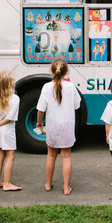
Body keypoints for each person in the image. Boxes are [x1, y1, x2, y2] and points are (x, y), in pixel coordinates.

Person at [36, 59, 81, 196]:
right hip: (67, 127)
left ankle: (48, 184)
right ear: (66, 72)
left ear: (51, 71)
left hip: (52, 126)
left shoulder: (46, 87)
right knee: (66, 157)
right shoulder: (71, 86)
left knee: (51, 155)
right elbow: (77, 105)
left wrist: (39, 122)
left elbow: (40, 108)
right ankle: (66, 187)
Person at [0, 70, 22, 191]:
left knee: (0, 155)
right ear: (11, 84)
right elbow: (10, 117)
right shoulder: (15, 98)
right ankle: (7, 183)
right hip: (7, 131)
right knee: (11, 156)